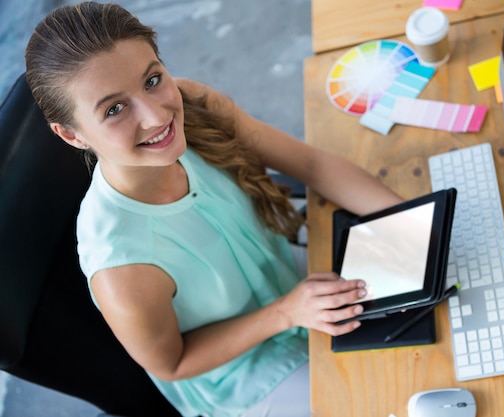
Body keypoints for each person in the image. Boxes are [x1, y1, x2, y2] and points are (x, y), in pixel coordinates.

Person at [25, 2, 403, 416]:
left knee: (431, 313)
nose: (156, 116)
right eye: (114, 109)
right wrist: (286, 313)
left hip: (291, 281)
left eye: (152, 79)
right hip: (247, 372)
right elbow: (173, 363)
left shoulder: (194, 103)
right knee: (387, 398)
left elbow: (311, 165)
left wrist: (417, 221)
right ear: (72, 134)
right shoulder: (119, 264)